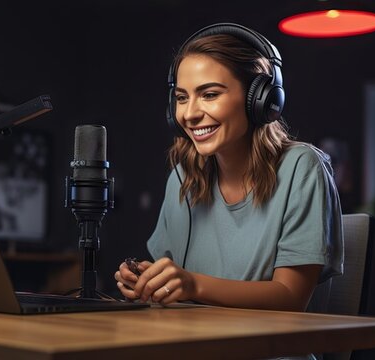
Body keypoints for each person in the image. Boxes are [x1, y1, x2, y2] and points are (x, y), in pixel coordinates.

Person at [115, 23, 343, 312]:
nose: (190, 114)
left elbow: (291, 296)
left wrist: (192, 284)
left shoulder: (302, 168)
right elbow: (174, 283)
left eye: (209, 94)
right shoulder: (183, 178)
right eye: (182, 97)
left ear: (259, 100)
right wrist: (150, 281)